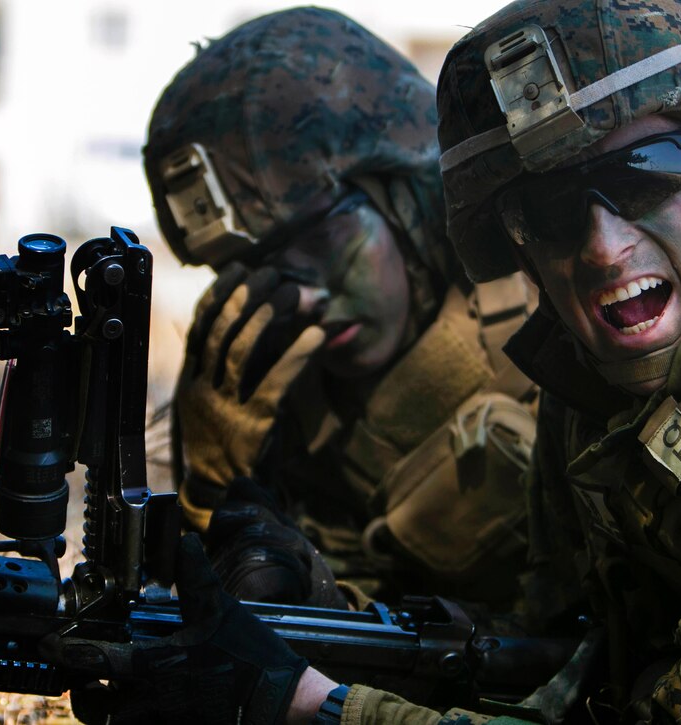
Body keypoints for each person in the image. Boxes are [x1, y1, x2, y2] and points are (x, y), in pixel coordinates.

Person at [51, 0, 681, 723]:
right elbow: (571, 653)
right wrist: (323, 614)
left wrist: (311, 703)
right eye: (553, 208)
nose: (604, 249)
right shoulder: (595, 373)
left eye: (646, 171)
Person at [142, 8, 539, 613]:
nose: (304, 295)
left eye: (321, 241)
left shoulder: (556, 292)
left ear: (405, 195)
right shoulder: (264, 405)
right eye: (264, 270)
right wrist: (216, 497)